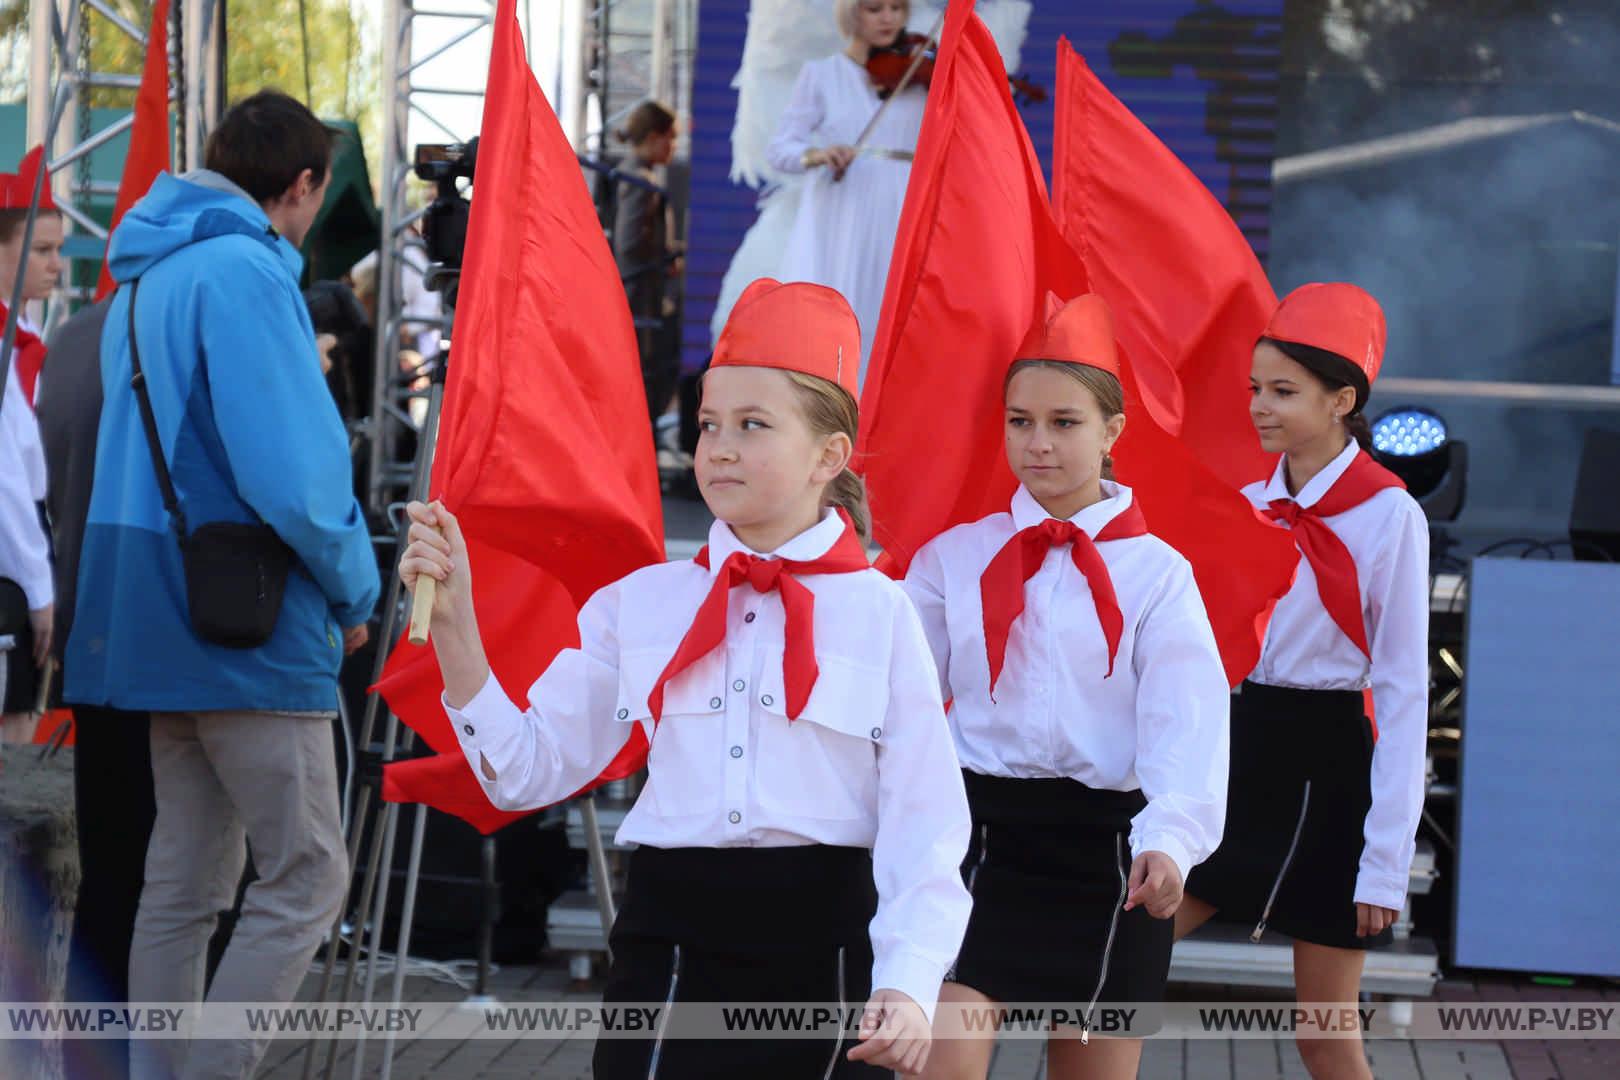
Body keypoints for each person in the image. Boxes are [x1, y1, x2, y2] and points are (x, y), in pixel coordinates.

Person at [400, 278, 971, 1078]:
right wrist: (458, 631)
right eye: (708, 425)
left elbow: (927, 818)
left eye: (753, 425)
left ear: (829, 456)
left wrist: (909, 982)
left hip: (826, 940)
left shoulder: (881, 612)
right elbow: (525, 773)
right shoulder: (641, 604)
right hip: (666, 938)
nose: (721, 447)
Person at [66, 89, 380, 1080]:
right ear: (301, 187)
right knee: (306, 875)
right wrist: (354, 588)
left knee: (184, 881)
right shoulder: (246, 272)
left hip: (149, 613)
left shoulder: (140, 279)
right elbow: (294, 470)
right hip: (243, 624)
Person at [902, 295, 1229, 1079]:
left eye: (1064, 422)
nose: (1038, 443)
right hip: (976, 839)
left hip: (1113, 853)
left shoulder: (1159, 574)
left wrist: (1172, 843)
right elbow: (899, 702)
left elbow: (1188, 722)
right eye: (1020, 421)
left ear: (1113, 431)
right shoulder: (953, 558)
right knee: (936, 1067)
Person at [1179, 283, 1429, 1080]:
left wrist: (1385, 859)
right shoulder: (1247, 502)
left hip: (1329, 772)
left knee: (1325, 1039)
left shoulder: (1391, 516)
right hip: (1239, 748)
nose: (1259, 407)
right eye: (1255, 388)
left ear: (1342, 400)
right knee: (1124, 953)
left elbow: (1401, 691)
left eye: (1282, 391)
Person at [36, 297, 155, 1080]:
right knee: (172, 879)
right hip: (167, 644)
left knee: (113, 869)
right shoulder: (186, 334)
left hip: (91, 632)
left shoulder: (73, 337)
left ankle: (92, 1054)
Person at [766, 0, 925, 384]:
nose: (888, 18)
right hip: (844, 209)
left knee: (898, 311)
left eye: (896, 8)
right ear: (852, 14)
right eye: (874, 9)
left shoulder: (920, 74)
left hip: (903, 204)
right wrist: (817, 155)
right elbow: (780, 149)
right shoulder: (822, 74)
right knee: (844, 308)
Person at [0, 145, 64, 742]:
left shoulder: (23, 337)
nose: (57, 265)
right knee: (14, 735)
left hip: (21, 554)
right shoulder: (7, 346)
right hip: (11, 568)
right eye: (42, 250)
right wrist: (38, 589)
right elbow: (8, 478)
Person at [611, 100, 685, 449]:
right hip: (638, 300)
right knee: (640, 381)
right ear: (655, 137)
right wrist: (665, 255)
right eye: (670, 138)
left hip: (641, 297)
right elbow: (628, 244)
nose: (674, 147)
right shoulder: (639, 180)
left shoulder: (638, 174)